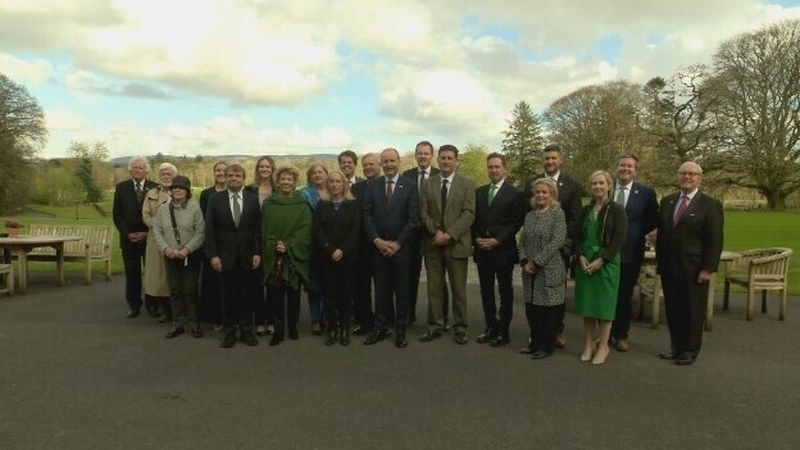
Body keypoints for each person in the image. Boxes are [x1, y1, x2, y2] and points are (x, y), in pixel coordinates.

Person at [656, 161, 723, 366]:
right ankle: (676, 347)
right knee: (673, 309)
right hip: (670, 267)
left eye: (692, 174)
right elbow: (663, 234)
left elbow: (715, 240)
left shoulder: (710, 205)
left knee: (693, 311)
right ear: (678, 176)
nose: (687, 177)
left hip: (694, 269)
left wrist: (708, 268)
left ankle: (690, 350)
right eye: (683, 173)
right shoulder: (667, 201)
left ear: (699, 179)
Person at [524, 144, 582, 349]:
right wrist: (526, 259)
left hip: (558, 252)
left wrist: (562, 241)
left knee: (555, 297)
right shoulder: (531, 184)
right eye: (546, 158)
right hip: (533, 254)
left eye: (553, 158)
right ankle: (537, 335)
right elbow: (525, 223)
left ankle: (556, 332)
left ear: (560, 160)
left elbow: (575, 218)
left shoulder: (573, 185)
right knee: (535, 298)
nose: (550, 161)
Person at [418, 144, 476, 345]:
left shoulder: (467, 184)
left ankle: (460, 328)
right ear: (438, 160)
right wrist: (437, 232)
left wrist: (450, 235)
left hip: (456, 244)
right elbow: (423, 213)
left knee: (459, 290)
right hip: (433, 243)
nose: (446, 161)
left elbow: (469, 214)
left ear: (456, 161)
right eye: (442, 158)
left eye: (450, 158)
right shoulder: (427, 184)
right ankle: (435, 325)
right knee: (434, 289)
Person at [362, 148, 419, 348]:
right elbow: (367, 215)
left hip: (401, 249)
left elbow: (413, 219)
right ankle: (380, 328)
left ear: (399, 162)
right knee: (381, 291)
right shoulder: (373, 186)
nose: (389, 165)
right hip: (378, 249)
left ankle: (400, 331)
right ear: (381, 164)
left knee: (402, 292)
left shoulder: (410, 186)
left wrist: (397, 243)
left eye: (392, 161)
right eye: (385, 161)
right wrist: (377, 240)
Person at [204, 164, 262, 348]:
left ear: (243, 178)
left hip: (247, 255)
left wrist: (257, 252)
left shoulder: (252, 199)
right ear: (226, 177)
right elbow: (209, 229)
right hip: (224, 256)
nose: (234, 178)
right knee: (227, 296)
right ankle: (229, 332)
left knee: (247, 295)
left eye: (238, 176)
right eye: (230, 175)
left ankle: (246, 331)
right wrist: (213, 255)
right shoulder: (215, 199)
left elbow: (257, 228)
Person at [573, 170, 628, 365]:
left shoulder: (617, 210)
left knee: (605, 307)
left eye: (601, 183)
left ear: (609, 186)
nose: (597, 186)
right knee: (588, 306)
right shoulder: (585, 211)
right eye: (594, 183)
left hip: (607, 264)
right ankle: (588, 345)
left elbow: (619, 239)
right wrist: (580, 255)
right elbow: (577, 236)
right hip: (586, 263)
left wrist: (602, 260)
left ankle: (603, 346)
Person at [472, 153, 525, 347]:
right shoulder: (479, 192)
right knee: (486, 291)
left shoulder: (515, 194)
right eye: (491, 167)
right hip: (482, 250)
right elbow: (473, 219)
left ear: (505, 169)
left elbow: (516, 222)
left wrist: (498, 240)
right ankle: (490, 327)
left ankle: (504, 330)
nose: (493, 170)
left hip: (503, 252)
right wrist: (476, 238)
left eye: (497, 167)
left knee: (505, 292)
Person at [610, 154, 659, 352]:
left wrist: (636, 234)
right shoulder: (606, 188)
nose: (625, 169)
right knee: (606, 294)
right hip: (605, 252)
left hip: (630, 252)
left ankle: (621, 335)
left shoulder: (646, 193)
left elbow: (653, 220)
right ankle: (604, 335)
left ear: (635, 171)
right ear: (617, 168)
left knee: (624, 295)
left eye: (630, 166)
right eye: (622, 165)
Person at [262, 166, 313, 346]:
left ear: (295, 182)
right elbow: (264, 228)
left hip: (293, 257)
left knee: (293, 294)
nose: (286, 182)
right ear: (277, 182)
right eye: (282, 179)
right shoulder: (269, 204)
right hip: (274, 255)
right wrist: (275, 244)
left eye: (289, 179)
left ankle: (293, 326)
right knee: (275, 295)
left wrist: (289, 244)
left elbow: (306, 229)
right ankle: (278, 330)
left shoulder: (303, 204)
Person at [519, 178, 567, 359]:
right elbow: (522, 240)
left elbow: (557, 241)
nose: (540, 195)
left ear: (552, 195)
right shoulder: (530, 215)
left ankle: (546, 346)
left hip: (548, 269)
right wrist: (524, 261)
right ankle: (534, 344)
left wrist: (537, 262)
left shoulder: (557, 214)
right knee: (532, 309)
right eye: (537, 192)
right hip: (529, 271)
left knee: (547, 311)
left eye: (544, 192)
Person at [152, 175, 205, 339]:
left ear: (187, 191)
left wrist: (187, 249)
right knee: (175, 289)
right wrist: (166, 248)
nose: (177, 190)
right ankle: (178, 322)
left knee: (190, 289)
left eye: (181, 188)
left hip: (190, 255)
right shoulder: (163, 209)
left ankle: (194, 322)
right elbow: (157, 230)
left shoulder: (195, 209)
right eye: (174, 187)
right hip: (171, 255)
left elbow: (201, 232)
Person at [402, 140, 447, 326]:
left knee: (437, 279)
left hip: (433, 234)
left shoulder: (440, 175)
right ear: (415, 155)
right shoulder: (407, 176)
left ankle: (441, 317)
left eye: (426, 153)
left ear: (431, 155)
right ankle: (408, 315)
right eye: (419, 153)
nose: (422, 156)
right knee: (409, 277)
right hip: (411, 235)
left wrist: (439, 230)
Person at [314, 169, 360, 346]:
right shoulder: (322, 205)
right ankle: (332, 329)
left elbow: (355, 230)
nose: (334, 185)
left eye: (338, 181)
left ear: (344, 184)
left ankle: (345, 328)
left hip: (347, 257)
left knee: (346, 294)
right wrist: (331, 249)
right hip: (327, 257)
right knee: (329, 295)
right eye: (331, 182)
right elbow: (318, 229)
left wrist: (342, 249)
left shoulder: (352, 204)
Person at [112, 157, 157, 318]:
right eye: (135, 168)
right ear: (130, 170)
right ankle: (133, 305)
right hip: (129, 239)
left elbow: (158, 215)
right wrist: (128, 234)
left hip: (149, 239)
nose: (137, 170)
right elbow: (117, 215)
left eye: (141, 168)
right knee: (132, 274)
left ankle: (152, 305)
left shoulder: (154, 187)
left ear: (146, 170)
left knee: (151, 274)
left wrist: (147, 233)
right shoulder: (122, 187)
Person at [349, 152, 381, 336]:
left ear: (379, 165)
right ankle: (365, 321)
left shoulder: (386, 185)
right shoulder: (356, 188)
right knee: (361, 288)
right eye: (365, 165)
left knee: (383, 287)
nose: (368, 167)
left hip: (382, 244)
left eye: (371, 164)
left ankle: (384, 321)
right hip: (360, 246)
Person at [142, 162, 177, 322]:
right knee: (158, 276)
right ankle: (164, 310)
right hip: (156, 239)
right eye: (163, 174)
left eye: (169, 174)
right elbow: (146, 216)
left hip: (177, 239)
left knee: (174, 275)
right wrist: (161, 224)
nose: (166, 176)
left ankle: (178, 311)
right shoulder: (151, 194)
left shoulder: (181, 192)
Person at [246, 156, 276, 337]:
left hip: (273, 239)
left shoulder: (278, 189)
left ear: (272, 169)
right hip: (254, 240)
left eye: (267, 166)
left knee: (273, 282)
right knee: (256, 283)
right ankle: (259, 320)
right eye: (261, 166)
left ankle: (272, 320)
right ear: (257, 169)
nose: (264, 169)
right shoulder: (249, 189)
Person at [198, 161, 227, 331]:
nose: (221, 173)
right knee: (213, 284)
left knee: (230, 284)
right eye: (218, 170)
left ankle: (231, 316)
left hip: (230, 244)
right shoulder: (206, 194)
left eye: (224, 170)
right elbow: (204, 220)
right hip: (212, 242)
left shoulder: (237, 192)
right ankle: (216, 318)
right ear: (214, 173)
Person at [300, 163, 329, 335]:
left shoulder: (334, 190)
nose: (318, 175)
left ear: (326, 174)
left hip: (331, 243)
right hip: (312, 243)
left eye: (320, 172)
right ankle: (316, 319)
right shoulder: (304, 194)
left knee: (329, 283)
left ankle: (327, 316)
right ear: (310, 177)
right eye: (314, 173)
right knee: (314, 284)